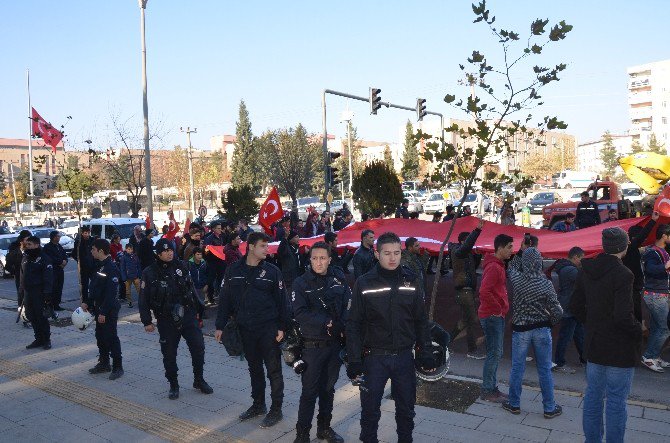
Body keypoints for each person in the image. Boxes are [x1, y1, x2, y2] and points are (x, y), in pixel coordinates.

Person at [346, 232, 435, 443]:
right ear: (377, 254)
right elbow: (353, 324)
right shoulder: (364, 283)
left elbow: (420, 321)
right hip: (373, 359)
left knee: (406, 410)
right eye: (387, 253)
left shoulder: (411, 280)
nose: (392, 258)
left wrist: (426, 353)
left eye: (396, 253)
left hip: (404, 358)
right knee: (370, 411)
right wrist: (354, 361)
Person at [569, 227, 641, 443]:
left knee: (593, 398)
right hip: (619, 348)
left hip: (594, 344)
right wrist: (639, 330)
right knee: (616, 402)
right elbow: (622, 316)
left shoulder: (586, 269)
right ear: (622, 247)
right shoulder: (624, 274)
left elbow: (575, 306)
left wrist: (592, 324)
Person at [215, 232, 289, 428]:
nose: (267, 249)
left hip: (268, 329)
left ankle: (276, 409)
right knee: (254, 369)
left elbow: (283, 302)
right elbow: (225, 299)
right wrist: (219, 326)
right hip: (245, 329)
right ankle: (258, 405)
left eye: (267, 246)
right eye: (263, 246)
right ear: (251, 247)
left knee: (274, 371)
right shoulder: (233, 270)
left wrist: (282, 327)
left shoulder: (273, 272)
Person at [291, 242, 351, 443]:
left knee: (328, 390)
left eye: (323, 258)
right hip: (312, 347)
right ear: (310, 260)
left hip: (334, 346)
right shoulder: (301, 283)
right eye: (315, 258)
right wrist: (326, 322)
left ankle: (324, 428)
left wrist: (340, 325)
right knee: (309, 393)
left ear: (329, 259)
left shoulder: (338, 279)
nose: (319, 262)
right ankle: (302, 435)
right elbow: (299, 313)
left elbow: (346, 306)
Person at [139, 239, 212, 400]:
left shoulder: (182, 266)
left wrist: (199, 310)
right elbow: (143, 299)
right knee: (169, 354)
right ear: (158, 254)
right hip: (166, 319)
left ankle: (198, 379)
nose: (169, 253)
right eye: (165, 251)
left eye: (171, 250)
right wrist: (147, 321)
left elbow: (191, 288)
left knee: (198, 347)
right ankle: (173, 384)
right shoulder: (149, 272)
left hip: (187, 315)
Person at [503, 245, 563, 418]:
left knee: (517, 368)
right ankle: (549, 408)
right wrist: (549, 323)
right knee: (544, 370)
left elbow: (511, 267)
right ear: (540, 263)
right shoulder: (546, 284)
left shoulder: (517, 279)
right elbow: (558, 312)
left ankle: (514, 404)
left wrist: (521, 252)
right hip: (542, 329)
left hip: (521, 330)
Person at [478, 234, 514, 402]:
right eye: (509, 247)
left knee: (495, 353)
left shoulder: (497, 265)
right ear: (499, 248)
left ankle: (491, 388)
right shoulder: (494, 267)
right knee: (494, 353)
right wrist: (497, 309)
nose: (511, 251)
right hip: (492, 315)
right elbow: (484, 291)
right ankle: (488, 390)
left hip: (494, 314)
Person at [82, 239, 124, 380]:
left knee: (111, 337)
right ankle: (104, 363)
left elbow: (111, 293)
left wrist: (103, 312)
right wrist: (87, 302)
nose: (91, 251)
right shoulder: (99, 266)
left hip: (108, 309)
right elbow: (94, 288)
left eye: (93, 249)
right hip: (99, 307)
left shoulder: (110, 268)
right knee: (100, 337)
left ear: (100, 251)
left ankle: (118, 367)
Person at [449, 218, 486, 359]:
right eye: (468, 241)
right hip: (464, 291)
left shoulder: (466, 254)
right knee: (472, 320)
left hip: (466, 291)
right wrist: (477, 231)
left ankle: (444, 343)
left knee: (464, 321)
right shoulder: (458, 252)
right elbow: (467, 246)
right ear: (463, 242)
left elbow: (474, 265)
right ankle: (472, 349)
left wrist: (476, 255)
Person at [640, 223, 670, 372]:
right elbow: (650, 269)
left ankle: (654, 356)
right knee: (664, 329)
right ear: (664, 236)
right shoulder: (653, 252)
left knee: (658, 327)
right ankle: (648, 356)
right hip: (655, 295)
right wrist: (666, 266)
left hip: (660, 294)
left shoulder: (663, 251)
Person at [552, 247, 586, 373]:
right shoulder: (571, 270)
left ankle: (584, 359)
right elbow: (585, 280)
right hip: (569, 307)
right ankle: (559, 363)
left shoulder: (566, 268)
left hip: (571, 307)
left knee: (579, 335)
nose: (582, 261)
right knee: (566, 337)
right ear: (575, 257)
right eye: (581, 258)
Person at [623, 211, 659, 322]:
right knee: (635, 307)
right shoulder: (631, 247)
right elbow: (643, 235)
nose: (643, 242)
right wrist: (653, 220)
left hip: (631, 283)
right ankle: (638, 326)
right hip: (632, 283)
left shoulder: (625, 248)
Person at [20, 236, 53, 350]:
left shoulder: (44, 258)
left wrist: (47, 294)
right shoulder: (27, 257)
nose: (27, 246)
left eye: (29, 244)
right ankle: (38, 338)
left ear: (36, 245)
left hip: (39, 292)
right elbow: (23, 274)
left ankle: (46, 339)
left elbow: (48, 277)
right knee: (31, 315)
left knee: (41, 317)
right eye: (27, 244)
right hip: (28, 291)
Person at [43, 230, 68, 311]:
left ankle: (57, 304)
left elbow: (64, 255)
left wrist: (65, 261)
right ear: (53, 237)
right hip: (53, 271)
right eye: (57, 236)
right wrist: (60, 262)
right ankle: (50, 305)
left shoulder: (59, 246)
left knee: (59, 288)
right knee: (53, 288)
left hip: (60, 270)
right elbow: (49, 258)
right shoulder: (47, 247)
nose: (59, 237)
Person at [203, 221, 227, 305]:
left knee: (221, 280)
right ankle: (210, 298)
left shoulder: (221, 237)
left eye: (221, 228)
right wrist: (210, 257)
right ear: (213, 229)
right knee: (211, 280)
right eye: (218, 228)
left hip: (221, 262)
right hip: (212, 262)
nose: (220, 230)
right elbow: (205, 251)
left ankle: (220, 296)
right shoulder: (209, 239)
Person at [73, 226, 96, 301]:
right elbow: (74, 254)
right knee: (84, 285)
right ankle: (85, 301)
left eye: (88, 233)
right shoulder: (79, 242)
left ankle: (94, 299)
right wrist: (79, 261)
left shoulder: (92, 240)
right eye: (85, 233)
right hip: (83, 267)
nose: (87, 235)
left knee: (95, 283)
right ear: (82, 233)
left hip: (93, 266)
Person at [119, 243, 142, 308]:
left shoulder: (135, 256)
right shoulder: (123, 258)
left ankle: (141, 301)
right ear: (126, 249)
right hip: (127, 277)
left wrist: (139, 274)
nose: (130, 250)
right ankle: (129, 302)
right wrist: (124, 278)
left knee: (139, 289)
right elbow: (122, 268)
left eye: (131, 249)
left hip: (135, 276)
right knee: (128, 291)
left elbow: (138, 266)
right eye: (129, 249)